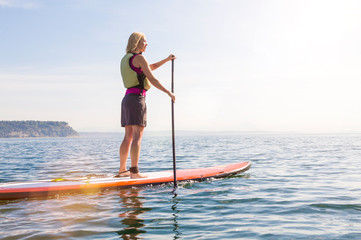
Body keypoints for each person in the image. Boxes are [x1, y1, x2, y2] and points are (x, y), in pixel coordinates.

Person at [117, 32, 176, 179]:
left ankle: (123, 170)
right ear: (137, 42)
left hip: (127, 100)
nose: (146, 44)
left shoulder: (127, 59)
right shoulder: (139, 58)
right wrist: (169, 92)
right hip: (137, 100)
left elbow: (151, 67)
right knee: (137, 137)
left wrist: (167, 60)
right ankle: (134, 172)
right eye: (144, 41)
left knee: (128, 137)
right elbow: (152, 79)